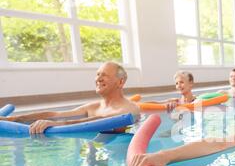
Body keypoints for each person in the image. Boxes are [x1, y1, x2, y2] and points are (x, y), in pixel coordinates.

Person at [0, 62, 140, 134]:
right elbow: (56, 115)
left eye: (104, 75)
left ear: (120, 82)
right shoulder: (93, 106)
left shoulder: (128, 108)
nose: (98, 79)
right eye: (97, 74)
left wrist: (54, 124)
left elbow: (101, 120)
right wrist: (11, 119)